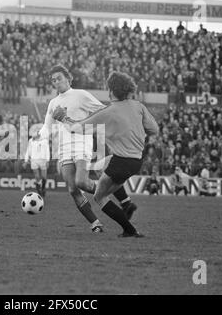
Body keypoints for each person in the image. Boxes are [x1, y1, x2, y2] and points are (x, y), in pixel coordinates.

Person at [53, 71, 159, 237]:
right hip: (136, 161)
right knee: (98, 168)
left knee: (99, 196)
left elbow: (77, 129)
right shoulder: (139, 106)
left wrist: (64, 118)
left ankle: (129, 230)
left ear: (112, 91)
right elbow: (154, 129)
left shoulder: (109, 112)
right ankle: (126, 203)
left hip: (121, 162)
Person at [37, 65, 134, 233]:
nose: (56, 82)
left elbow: (102, 110)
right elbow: (47, 126)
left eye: (59, 78)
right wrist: (40, 136)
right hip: (64, 149)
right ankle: (96, 223)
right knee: (73, 189)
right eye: (53, 80)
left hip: (82, 144)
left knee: (81, 182)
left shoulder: (80, 95)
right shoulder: (53, 103)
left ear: (68, 78)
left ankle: (117, 198)